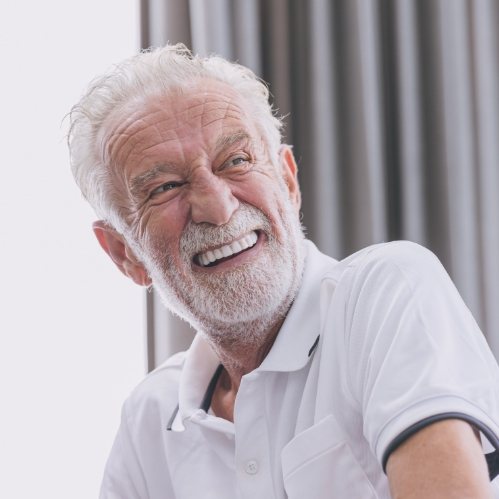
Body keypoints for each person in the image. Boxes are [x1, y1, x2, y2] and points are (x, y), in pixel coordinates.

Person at [68, 44, 499, 498]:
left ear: (288, 181)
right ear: (124, 253)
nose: (217, 207)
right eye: (166, 187)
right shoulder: (149, 420)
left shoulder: (388, 290)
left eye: (236, 161)